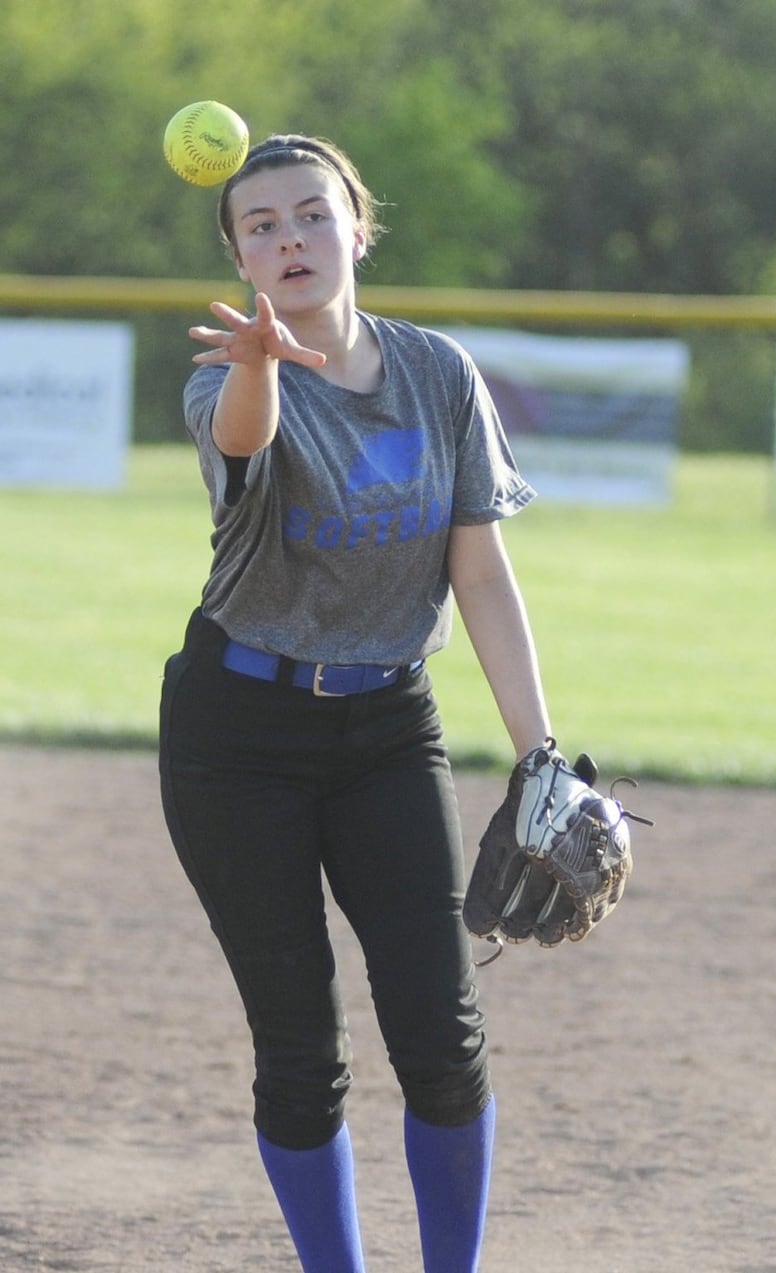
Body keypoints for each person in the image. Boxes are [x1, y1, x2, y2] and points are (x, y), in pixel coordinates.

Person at [158, 133, 554, 1272]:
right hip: (238, 739)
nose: (291, 239)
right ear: (238, 256)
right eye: (262, 226)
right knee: (300, 1048)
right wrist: (256, 366)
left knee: (443, 1034)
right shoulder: (226, 379)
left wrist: (539, 750)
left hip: (389, 728)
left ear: (357, 228)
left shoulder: (436, 370)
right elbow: (247, 436)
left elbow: (477, 570)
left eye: (311, 215)